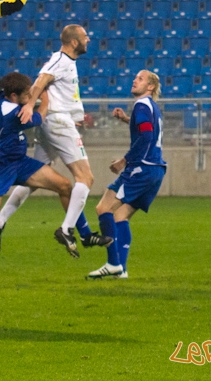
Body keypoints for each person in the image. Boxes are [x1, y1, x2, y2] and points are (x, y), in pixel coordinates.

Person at [0, 72, 111, 287]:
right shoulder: (14, 114)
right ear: (15, 95)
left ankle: (84, 234)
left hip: (20, 163)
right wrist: (45, 100)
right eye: (27, 94)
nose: (31, 96)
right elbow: (41, 117)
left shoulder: (4, 100)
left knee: (64, 186)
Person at [7, 24, 96, 258]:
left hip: (58, 121)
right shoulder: (61, 60)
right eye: (85, 37)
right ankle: (68, 229)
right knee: (85, 178)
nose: (89, 40)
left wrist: (72, 116)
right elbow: (40, 82)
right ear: (74, 42)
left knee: (36, 176)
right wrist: (29, 105)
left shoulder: (67, 62)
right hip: (57, 122)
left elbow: (55, 90)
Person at [87, 70, 167, 280]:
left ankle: (113, 263)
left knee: (103, 208)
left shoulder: (141, 105)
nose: (134, 80)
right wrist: (126, 120)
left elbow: (146, 136)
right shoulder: (151, 107)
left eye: (140, 79)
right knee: (120, 216)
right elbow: (147, 129)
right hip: (156, 169)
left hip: (141, 167)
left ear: (150, 86)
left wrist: (124, 160)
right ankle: (121, 270)